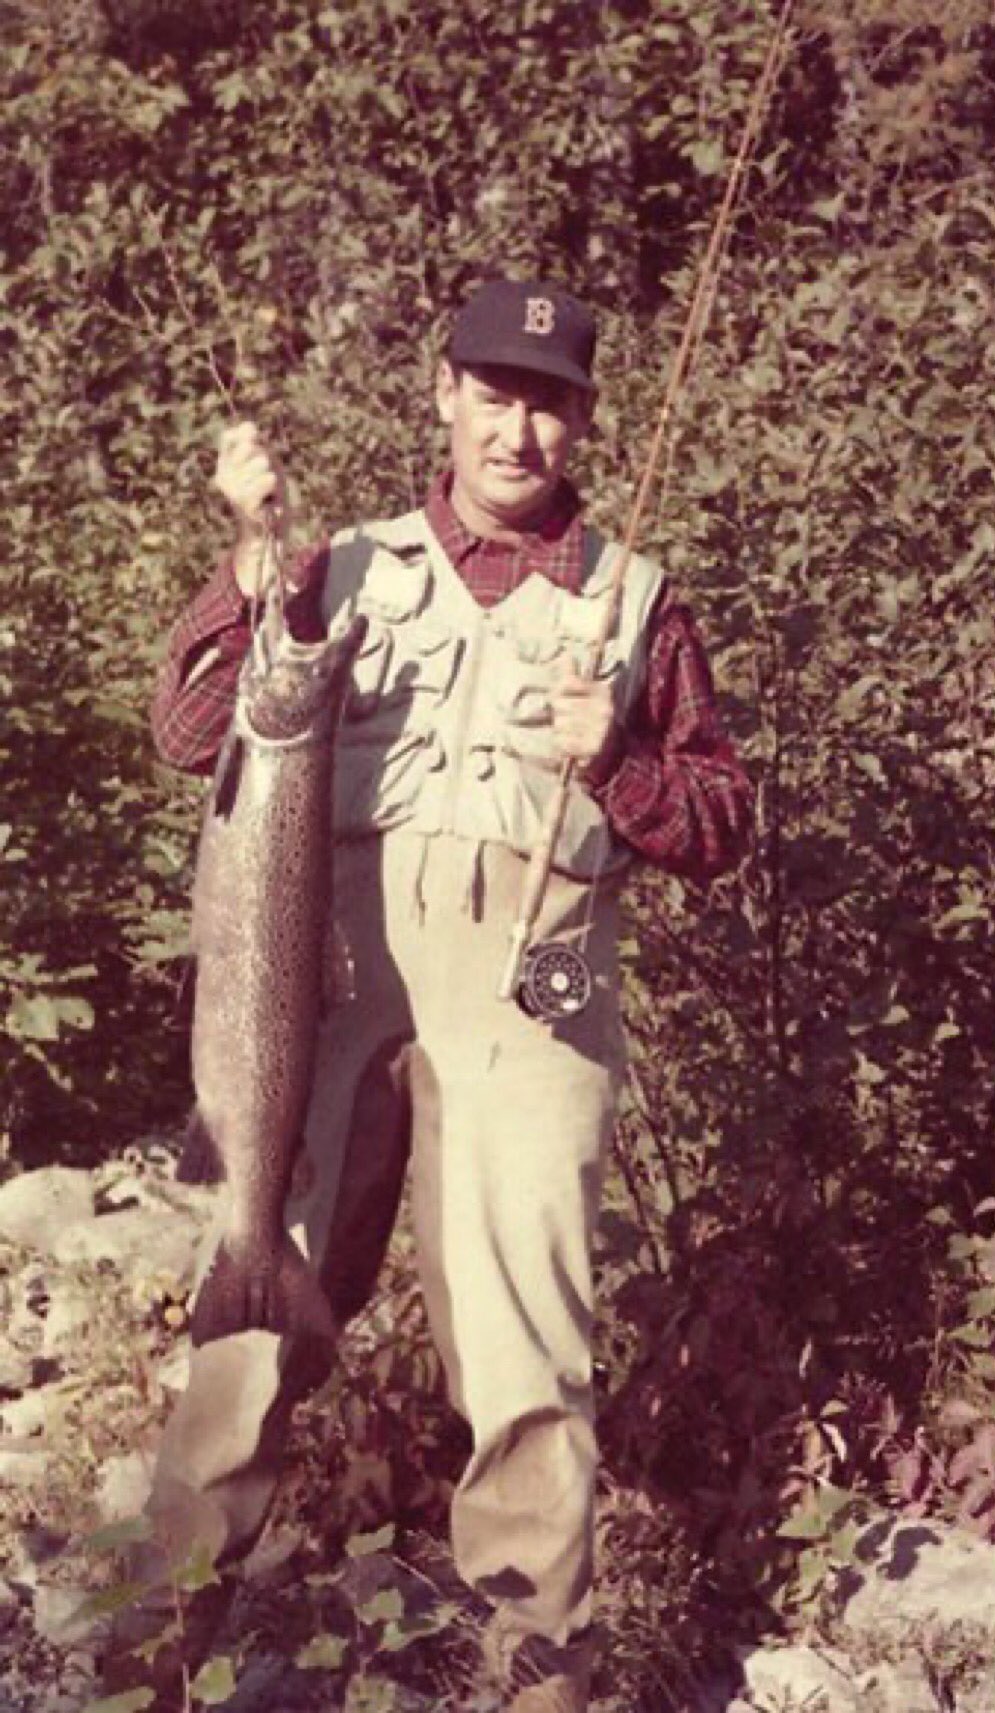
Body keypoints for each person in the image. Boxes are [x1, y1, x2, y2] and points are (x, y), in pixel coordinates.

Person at [123, 278, 751, 1713]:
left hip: (530, 1004)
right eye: (491, 389)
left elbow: (721, 823)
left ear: (581, 419)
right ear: (444, 395)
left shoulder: (639, 604)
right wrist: (246, 555)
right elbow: (186, 731)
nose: (514, 427)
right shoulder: (342, 568)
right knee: (246, 1312)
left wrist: (623, 764)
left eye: (546, 399)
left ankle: (537, 1668)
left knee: (528, 1349)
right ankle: (149, 1645)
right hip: (318, 985)